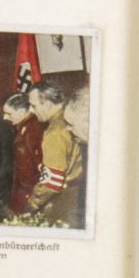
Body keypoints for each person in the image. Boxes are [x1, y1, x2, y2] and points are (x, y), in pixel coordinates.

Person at [26, 80, 85, 227]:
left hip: (63, 204)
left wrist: (31, 205)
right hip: (78, 197)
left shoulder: (54, 132)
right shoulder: (69, 120)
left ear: (47, 104)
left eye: (34, 106)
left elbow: (52, 183)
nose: (31, 111)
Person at [4, 92, 42, 213]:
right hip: (21, 190)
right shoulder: (23, 127)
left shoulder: (31, 130)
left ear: (21, 112)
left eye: (9, 114)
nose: (5, 117)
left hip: (28, 193)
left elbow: (37, 165)